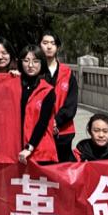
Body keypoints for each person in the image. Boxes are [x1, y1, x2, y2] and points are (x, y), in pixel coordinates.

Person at [11, 44, 60, 215]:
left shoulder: (48, 89)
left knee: (41, 202)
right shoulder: (14, 84)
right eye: (26, 60)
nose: (30, 65)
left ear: (42, 64)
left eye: (36, 61)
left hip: (41, 151)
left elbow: (42, 123)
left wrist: (30, 147)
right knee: (20, 201)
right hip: (16, 151)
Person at [40, 31, 78, 163]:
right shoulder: (34, 72)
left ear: (57, 47)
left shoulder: (67, 73)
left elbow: (71, 105)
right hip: (39, 132)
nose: (49, 46)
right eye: (45, 43)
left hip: (63, 131)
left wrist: (56, 121)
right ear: (39, 46)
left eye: (53, 43)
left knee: (63, 168)